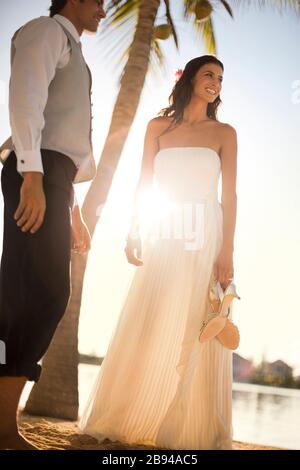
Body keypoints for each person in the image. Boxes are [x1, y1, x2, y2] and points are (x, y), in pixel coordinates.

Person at [80, 55, 238, 450]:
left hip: (206, 234)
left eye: (220, 78)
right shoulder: (156, 127)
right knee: (150, 317)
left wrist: (227, 252)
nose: (216, 82)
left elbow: (230, 196)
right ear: (188, 79)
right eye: (209, 74)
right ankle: (130, 413)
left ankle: (190, 428)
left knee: (200, 323)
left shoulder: (225, 133)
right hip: (165, 233)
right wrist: (134, 227)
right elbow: (143, 184)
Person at [0, 0, 106, 450]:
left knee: (41, 293)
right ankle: (4, 428)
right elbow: (27, 100)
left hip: (53, 176)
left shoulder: (76, 52)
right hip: (36, 171)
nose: (103, 9)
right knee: (34, 292)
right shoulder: (46, 31)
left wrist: (72, 210)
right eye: (99, 1)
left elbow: (65, 138)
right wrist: (31, 175)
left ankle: (4, 424)